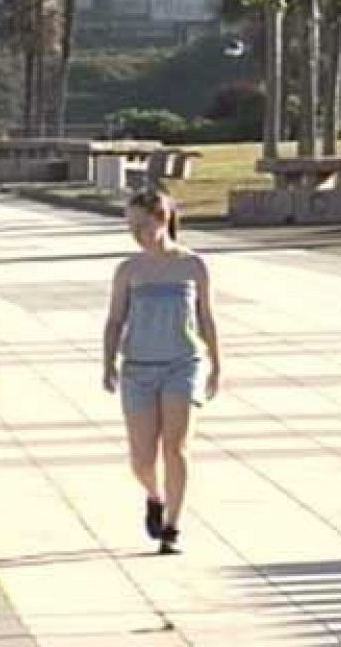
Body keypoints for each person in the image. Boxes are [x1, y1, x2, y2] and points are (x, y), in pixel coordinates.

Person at [102, 190, 222, 556]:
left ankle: (172, 525)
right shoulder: (129, 270)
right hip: (139, 367)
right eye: (131, 225)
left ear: (163, 218)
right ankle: (154, 496)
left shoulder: (193, 266)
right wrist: (107, 361)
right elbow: (115, 319)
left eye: (144, 223)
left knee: (176, 447)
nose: (137, 232)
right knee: (142, 457)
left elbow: (206, 317)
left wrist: (217, 363)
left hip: (181, 364)